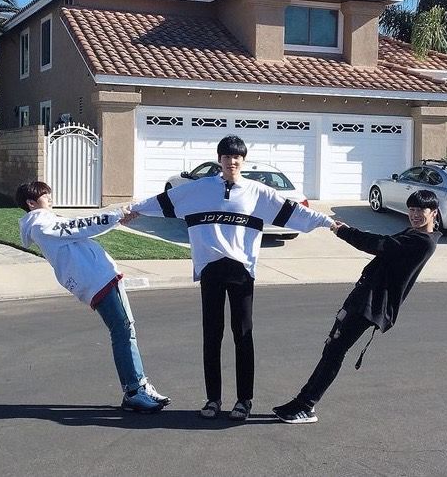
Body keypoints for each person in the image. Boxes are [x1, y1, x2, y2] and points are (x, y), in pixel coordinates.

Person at [131, 135, 335, 421]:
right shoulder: (199, 189)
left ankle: (244, 401)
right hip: (210, 270)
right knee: (211, 336)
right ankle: (213, 399)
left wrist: (327, 222)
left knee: (243, 336)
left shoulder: (257, 192)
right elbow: (162, 202)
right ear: (220, 160)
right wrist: (132, 211)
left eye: (237, 157)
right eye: (227, 157)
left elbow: (293, 212)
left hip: (241, 272)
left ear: (243, 160)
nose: (232, 161)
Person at [272, 189, 441, 424]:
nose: (413, 215)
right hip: (364, 297)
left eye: (419, 210)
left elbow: (378, 244)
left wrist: (342, 231)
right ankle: (302, 402)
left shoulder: (421, 242)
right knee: (332, 348)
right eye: (411, 209)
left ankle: (306, 404)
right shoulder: (415, 234)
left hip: (372, 303)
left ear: (433, 213)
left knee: (335, 350)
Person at [15, 181, 169, 414]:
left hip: (99, 279)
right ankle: (135, 391)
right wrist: (117, 215)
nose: (51, 199)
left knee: (125, 330)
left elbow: (81, 227)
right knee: (123, 330)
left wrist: (117, 219)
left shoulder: (47, 222)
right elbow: (81, 226)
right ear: (31, 203)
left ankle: (139, 386)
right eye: (46, 196)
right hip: (97, 281)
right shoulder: (41, 224)